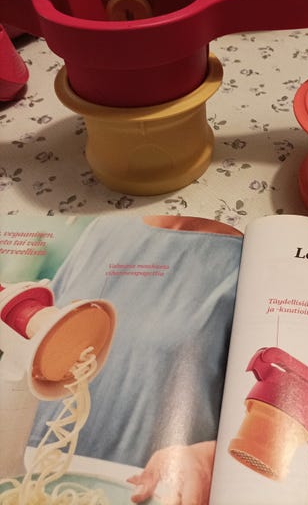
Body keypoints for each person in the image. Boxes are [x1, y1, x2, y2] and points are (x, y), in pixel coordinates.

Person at [29, 214, 243, 504]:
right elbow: (37, 345)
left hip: (144, 490)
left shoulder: (247, 257)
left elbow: (269, 418)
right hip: (31, 475)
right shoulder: (103, 228)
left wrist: (209, 455)